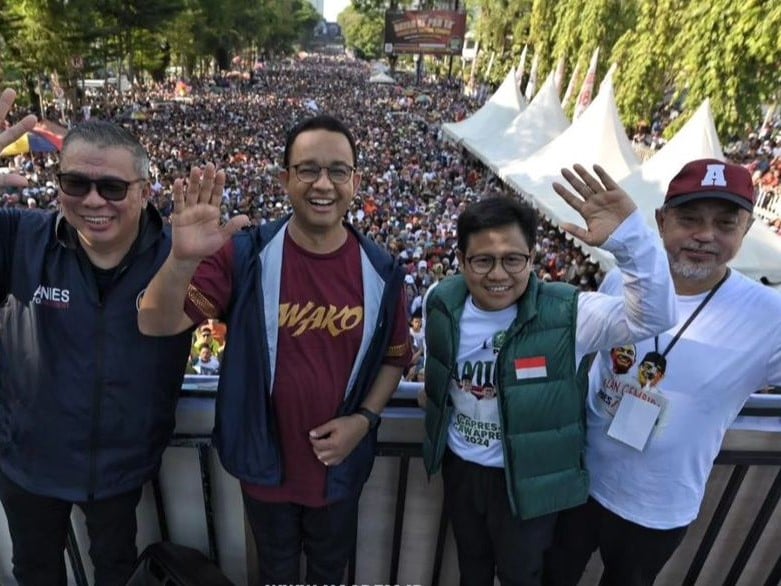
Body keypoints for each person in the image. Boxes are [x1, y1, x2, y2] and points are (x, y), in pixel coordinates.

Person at [137, 114, 411, 585]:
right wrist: (182, 260)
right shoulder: (244, 254)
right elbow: (156, 321)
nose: (323, 183)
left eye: (337, 171)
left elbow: (394, 358)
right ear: (284, 179)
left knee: (329, 573)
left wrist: (363, 420)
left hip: (339, 471)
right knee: (276, 573)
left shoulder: (382, 270)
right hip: (263, 467)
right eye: (307, 169)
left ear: (355, 182)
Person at [421, 164, 678, 586]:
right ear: (462, 261)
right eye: (483, 260)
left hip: (529, 479)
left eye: (513, 259)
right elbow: (439, 370)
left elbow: (655, 314)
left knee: (521, 574)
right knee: (472, 565)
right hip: (462, 467)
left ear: (533, 259)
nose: (499, 274)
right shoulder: (441, 301)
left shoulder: (569, 313)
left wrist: (631, 241)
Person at [545, 158, 781, 586]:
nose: (705, 235)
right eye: (689, 219)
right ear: (661, 220)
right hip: (580, 480)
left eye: (725, 225)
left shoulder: (770, 317)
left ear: (746, 230)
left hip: (657, 508)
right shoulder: (620, 280)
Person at [0, 89, 193, 585]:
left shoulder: (181, 256)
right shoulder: (20, 236)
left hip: (122, 468)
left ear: (145, 191)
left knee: (116, 569)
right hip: (27, 462)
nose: (92, 200)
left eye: (111, 187)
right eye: (75, 182)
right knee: (35, 572)